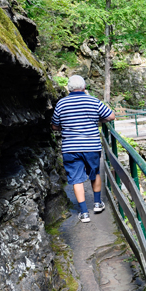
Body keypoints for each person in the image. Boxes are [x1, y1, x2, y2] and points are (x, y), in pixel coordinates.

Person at [51, 75, 115, 223]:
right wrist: (97, 121)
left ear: (68, 88)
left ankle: (84, 213)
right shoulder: (92, 100)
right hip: (91, 145)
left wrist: (67, 126)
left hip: (70, 148)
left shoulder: (61, 103)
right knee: (95, 173)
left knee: (76, 179)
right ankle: (98, 204)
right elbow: (111, 116)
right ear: (84, 87)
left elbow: (54, 126)